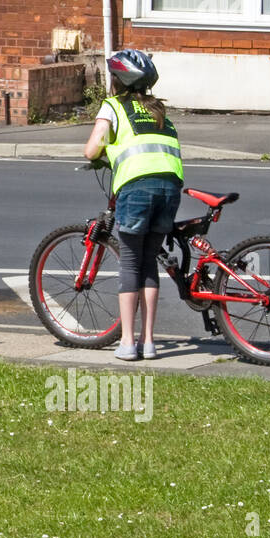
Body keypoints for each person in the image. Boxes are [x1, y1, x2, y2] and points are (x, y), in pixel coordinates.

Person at [83, 49, 184, 361]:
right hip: (170, 187)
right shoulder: (158, 111)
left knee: (129, 262)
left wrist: (104, 156)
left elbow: (91, 149)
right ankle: (149, 341)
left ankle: (127, 343)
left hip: (137, 188)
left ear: (118, 80)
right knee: (149, 262)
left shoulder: (113, 106)